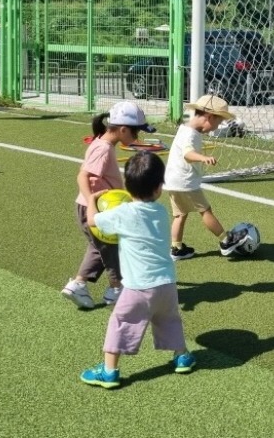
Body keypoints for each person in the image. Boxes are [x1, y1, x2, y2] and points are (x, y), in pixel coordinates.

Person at [80, 151, 195, 389]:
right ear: (158, 188)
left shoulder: (123, 213)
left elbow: (93, 221)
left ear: (128, 188)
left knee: (120, 322)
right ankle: (182, 355)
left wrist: (92, 200)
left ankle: (109, 371)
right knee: (169, 319)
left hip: (138, 287)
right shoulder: (162, 212)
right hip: (166, 283)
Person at [62, 100, 157, 309]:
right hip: (98, 210)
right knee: (113, 249)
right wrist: (92, 204)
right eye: (136, 132)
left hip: (96, 208)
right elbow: (82, 176)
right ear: (123, 129)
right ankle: (116, 289)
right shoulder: (103, 149)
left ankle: (78, 284)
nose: (137, 137)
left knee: (98, 248)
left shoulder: (101, 142)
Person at [164, 94, 248, 260]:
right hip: (186, 182)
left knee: (180, 215)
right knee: (205, 211)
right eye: (216, 123)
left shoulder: (185, 127)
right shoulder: (191, 135)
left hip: (172, 180)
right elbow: (188, 154)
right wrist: (204, 158)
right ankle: (226, 241)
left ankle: (176, 248)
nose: (215, 128)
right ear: (209, 117)